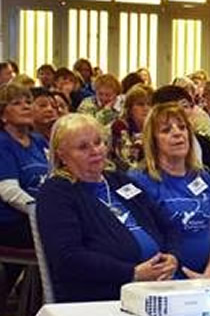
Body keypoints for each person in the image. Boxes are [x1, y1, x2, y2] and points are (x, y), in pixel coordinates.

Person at [37, 114, 179, 302]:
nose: (95, 151)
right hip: (104, 294)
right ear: (62, 155)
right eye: (83, 147)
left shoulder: (119, 181)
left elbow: (165, 224)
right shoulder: (56, 193)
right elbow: (68, 258)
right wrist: (132, 273)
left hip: (155, 285)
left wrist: (172, 257)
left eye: (98, 142)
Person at [130, 104, 210, 280]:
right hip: (162, 276)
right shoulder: (139, 181)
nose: (178, 133)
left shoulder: (203, 177)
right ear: (153, 141)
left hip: (208, 274)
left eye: (182, 127)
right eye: (166, 130)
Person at [0, 83, 49, 251]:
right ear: (3, 115)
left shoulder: (39, 140)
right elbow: (9, 192)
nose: (25, 106)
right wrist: (41, 211)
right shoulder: (3, 143)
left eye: (28, 102)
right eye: (16, 103)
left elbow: (55, 176)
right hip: (13, 222)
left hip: (41, 216)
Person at [151, 86, 210, 183]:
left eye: (186, 106)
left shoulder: (204, 144)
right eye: (166, 130)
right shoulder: (141, 174)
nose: (182, 112)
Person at [110, 84, 153, 172]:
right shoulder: (120, 125)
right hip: (126, 172)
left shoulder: (155, 126)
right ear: (129, 108)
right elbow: (128, 158)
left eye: (149, 104)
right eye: (140, 104)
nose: (146, 108)